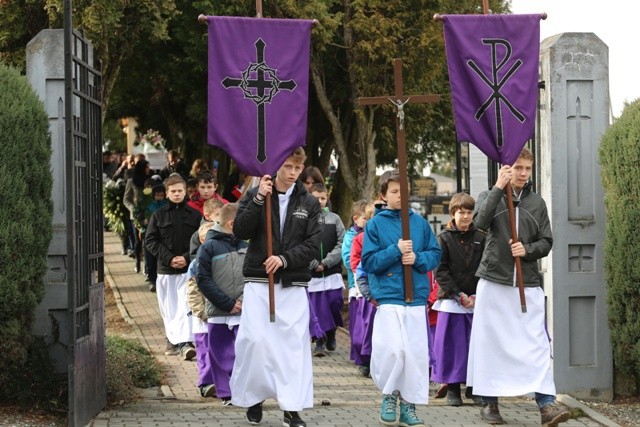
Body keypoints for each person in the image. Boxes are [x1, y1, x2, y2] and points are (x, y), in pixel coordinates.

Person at [466, 148, 570, 426]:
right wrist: (499, 187)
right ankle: (489, 404)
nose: (523, 174)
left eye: (527, 168)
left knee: (535, 343)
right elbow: (479, 223)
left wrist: (526, 249)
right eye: (518, 168)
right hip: (494, 280)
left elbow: (547, 241)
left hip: (528, 283)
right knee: (491, 343)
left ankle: (547, 405)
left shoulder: (537, 203)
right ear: (507, 169)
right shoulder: (491, 196)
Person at [230, 147, 322, 427]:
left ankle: (291, 407)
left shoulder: (309, 202)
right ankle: (254, 397)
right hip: (259, 280)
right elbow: (241, 231)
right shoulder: (257, 193)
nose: (293, 173)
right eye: (288, 167)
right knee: (255, 341)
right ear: (276, 165)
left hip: (291, 282)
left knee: (291, 345)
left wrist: (284, 259)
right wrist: (258, 198)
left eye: (298, 168)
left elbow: (313, 244)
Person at [361, 169, 442, 427]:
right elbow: (370, 262)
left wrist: (417, 259)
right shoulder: (375, 224)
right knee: (392, 350)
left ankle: (409, 404)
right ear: (383, 195)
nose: (400, 196)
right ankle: (390, 394)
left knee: (415, 354)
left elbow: (434, 254)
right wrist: (395, 251)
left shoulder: (418, 223)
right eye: (394, 191)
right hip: (389, 296)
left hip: (415, 298)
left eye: (403, 191)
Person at [431, 192, 485, 407]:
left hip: (476, 299)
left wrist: (476, 294)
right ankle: (453, 388)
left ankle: (474, 388)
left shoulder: (481, 237)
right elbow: (441, 270)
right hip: (452, 301)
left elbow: (485, 265)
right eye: (461, 212)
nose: (465, 216)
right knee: (453, 347)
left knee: (475, 346)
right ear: (453, 213)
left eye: (469, 212)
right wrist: (457, 294)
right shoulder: (444, 238)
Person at [144, 174, 202, 360]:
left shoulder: (195, 215)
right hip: (166, 270)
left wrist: (186, 258)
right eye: (173, 191)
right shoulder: (158, 216)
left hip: (188, 270)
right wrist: (169, 258)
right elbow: (151, 241)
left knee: (186, 305)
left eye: (180, 191)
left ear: (186, 192)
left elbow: (201, 240)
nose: (177, 194)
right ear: (167, 193)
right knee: (169, 308)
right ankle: (172, 339)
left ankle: (185, 343)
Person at [196, 202, 248, 406]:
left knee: (242, 351)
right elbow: (203, 279)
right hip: (219, 310)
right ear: (232, 224)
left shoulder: (245, 245)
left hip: (243, 310)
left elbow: (252, 275)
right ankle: (225, 393)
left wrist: (242, 301)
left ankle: (243, 391)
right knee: (219, 352)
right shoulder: (208, 247)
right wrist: (227, 304)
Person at [307, 183, 346, 357]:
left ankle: (332, 331)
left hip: (331, 271)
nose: (320, 201)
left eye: (323, 198)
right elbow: (301, 243)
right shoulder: (305, 219)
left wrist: (327, 262)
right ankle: (319, 340)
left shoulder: (335, 218)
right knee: (317, 307)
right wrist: (313, 263)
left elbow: (342, 242)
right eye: (316, 198)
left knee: (334, 302)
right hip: (313, 272)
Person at [185, 221, 216, 398]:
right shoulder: (195, 265)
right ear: (202, 240)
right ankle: (206, 383)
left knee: (220, 351)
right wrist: (201, 312)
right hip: (203, 318)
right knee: (204, 351)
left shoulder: (222, 259)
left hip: (221, 316)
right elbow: (192, 291)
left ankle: (222, 381)